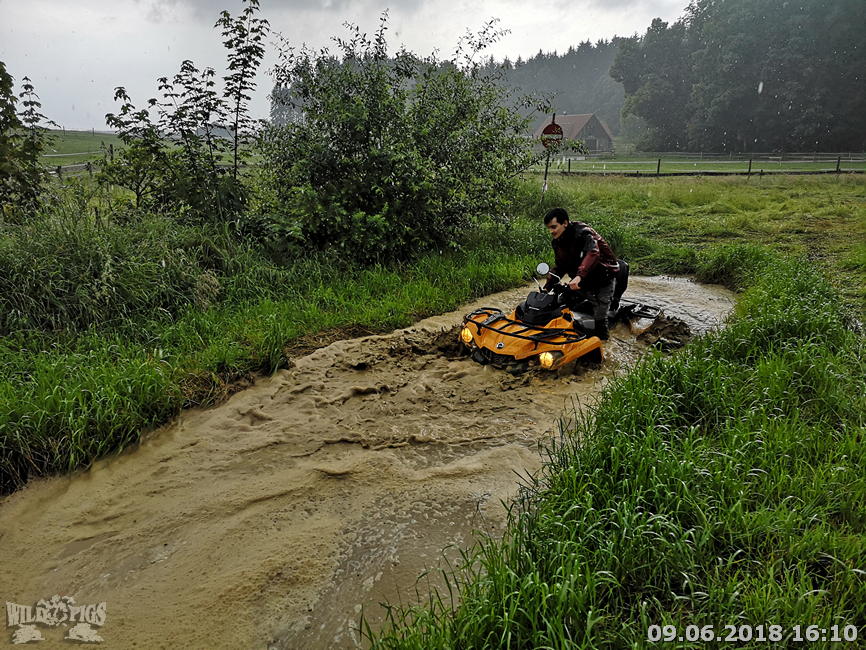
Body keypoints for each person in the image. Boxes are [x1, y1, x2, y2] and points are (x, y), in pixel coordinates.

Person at [542, 207, 619, 340]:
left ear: (565, 223)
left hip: (602, 278)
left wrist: (579, 275)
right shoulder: (557, 242)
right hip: (581, 279)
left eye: (554, 227)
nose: (551, 231)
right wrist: (546, 288)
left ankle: (603, 347)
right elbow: (561, 266)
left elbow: (593, 253)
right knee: (559, 301)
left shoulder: (584, 233)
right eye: (549, 228)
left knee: (600, 319)